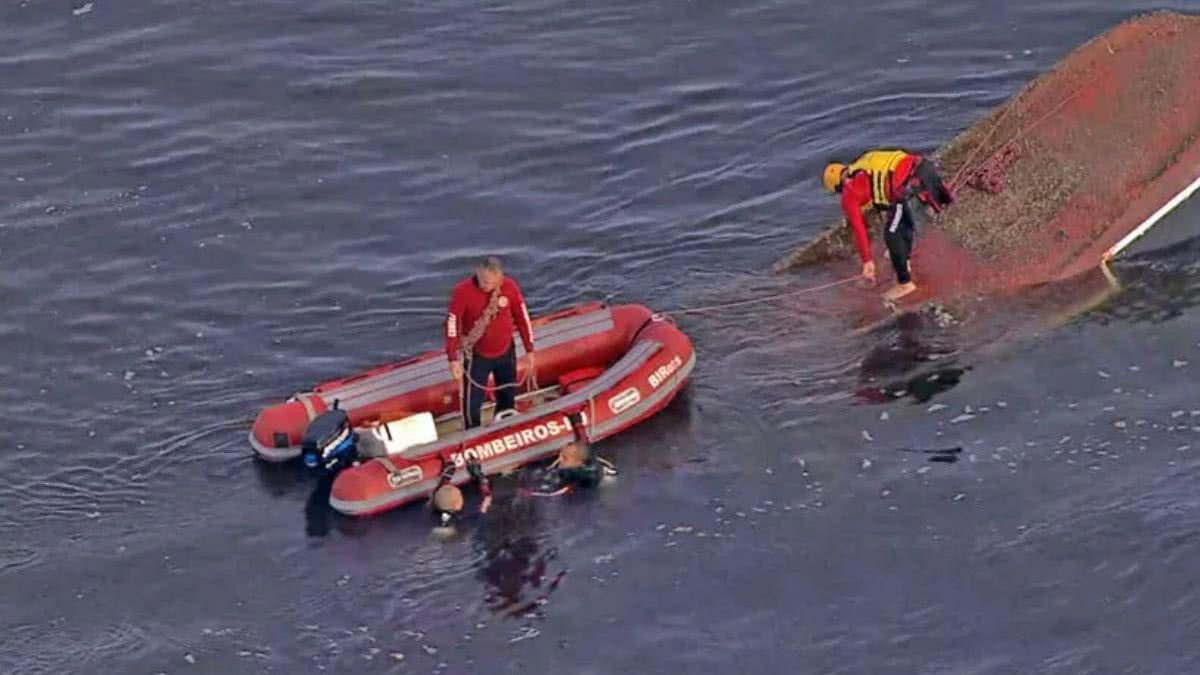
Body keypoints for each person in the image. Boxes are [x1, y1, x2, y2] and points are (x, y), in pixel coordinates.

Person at [822, 149, 954, 301]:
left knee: (891, 235)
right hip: (925, 169)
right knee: (901, 224)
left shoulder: (848, 193)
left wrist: (867, 263)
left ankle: (905, 284)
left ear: (838, 187)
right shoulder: (864, 163)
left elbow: (859, 229)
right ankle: (905, 260)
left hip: (909, 186)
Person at [445, 256, 536, 428]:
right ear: (477, 273)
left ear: (499, 277)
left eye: (489, 281)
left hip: (505, 351)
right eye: (482, 280)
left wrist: (529, 349)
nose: (485, 284)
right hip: (477, 355)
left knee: (507, 393)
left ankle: (505, 424)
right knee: (473, 400)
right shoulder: (462, 291)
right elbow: (452, 323)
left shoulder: (510, 287)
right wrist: (452, 358)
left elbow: (522, 317)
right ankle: (472, 432)